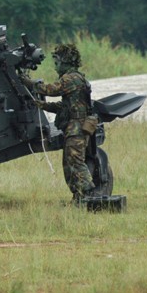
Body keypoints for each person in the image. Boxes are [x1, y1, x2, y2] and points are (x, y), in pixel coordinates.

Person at [21, 43, 99, 202]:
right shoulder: (76, 78)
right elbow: (64, 106)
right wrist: (42, 105)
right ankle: (79, 197)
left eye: (57, 63)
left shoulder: (72, 79)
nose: (55, 68)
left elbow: (50, 89)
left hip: (77, 128)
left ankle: (89, 195)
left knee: (76, 163)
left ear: (65, 62)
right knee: (69, 165)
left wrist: (28, 82)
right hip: (74, 127)